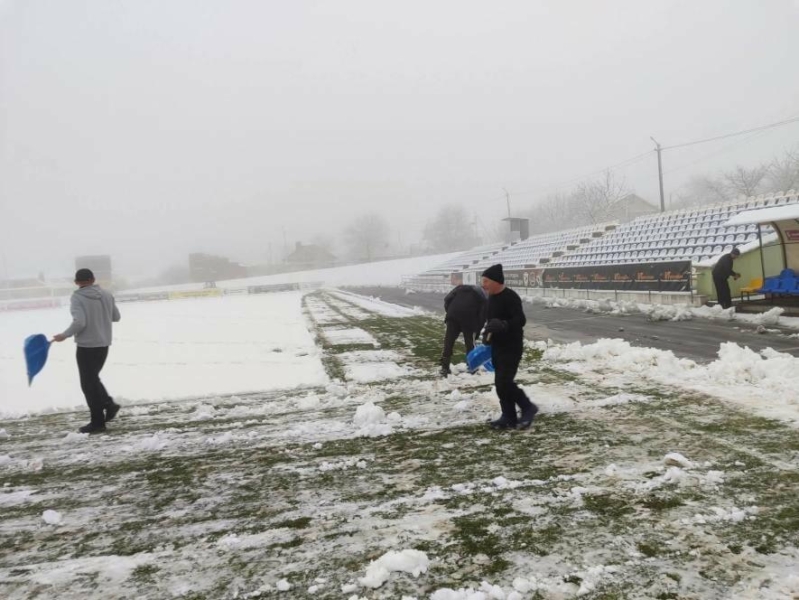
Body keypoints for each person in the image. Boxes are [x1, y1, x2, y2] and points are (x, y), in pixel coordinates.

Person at [52, 268, 122, 433]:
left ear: (76, 282)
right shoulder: (106, 294)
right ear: (93, 279)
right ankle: (108, 404)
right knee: (92, 380)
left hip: (86, 347)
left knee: (88, 384)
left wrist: (64, 335)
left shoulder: (77, 297)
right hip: (104, 344)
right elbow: (116, 317)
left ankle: (98, 421)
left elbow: (80, 322)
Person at [480, 264, 538, 430]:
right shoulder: (490, 298)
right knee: (500, 384)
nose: (483, 285)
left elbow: (521, 320)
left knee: (504, 382)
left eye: (486, 281)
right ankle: (508, 416)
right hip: (497, 346)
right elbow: (491, 322)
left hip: (512, 346)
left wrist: (505, 325)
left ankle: (527, 407)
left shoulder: (510, 297)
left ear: (496, 281)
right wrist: (487, 335)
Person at [440, 284, 486, 376]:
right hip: (469, 318)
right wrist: (477, 331)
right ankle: (472, 367)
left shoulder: (459, 288)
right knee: (470, 343)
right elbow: (482, 317)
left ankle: (444, 367)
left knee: (449, 341)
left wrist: (450, 312)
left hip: (453, 316)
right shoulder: (482, 296)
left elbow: (446, 300)